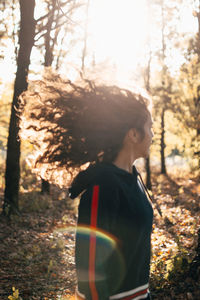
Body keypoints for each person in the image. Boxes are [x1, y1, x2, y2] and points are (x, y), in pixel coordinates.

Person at [20, 77, 154, 300]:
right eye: (149, 127)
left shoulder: (134, 178)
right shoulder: (103, 186)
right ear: (132, 134)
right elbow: (90, 270)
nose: (152, 134)